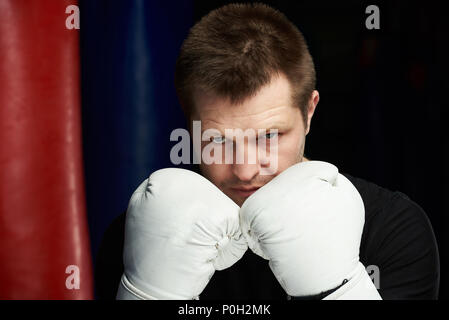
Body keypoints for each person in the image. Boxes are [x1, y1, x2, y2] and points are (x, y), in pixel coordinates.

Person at [95, 3, 439, 300]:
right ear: (189, 125)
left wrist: (339, 290)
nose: (245, 170)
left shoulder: (391, 229)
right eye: (217, 141)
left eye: (269, 137)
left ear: (309, 112)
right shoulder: (141, 235)